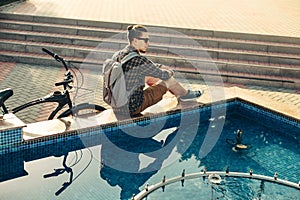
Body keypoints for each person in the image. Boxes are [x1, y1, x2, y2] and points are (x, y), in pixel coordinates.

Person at [112, 24, 203, 117]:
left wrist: (160, 66)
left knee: (149, 76)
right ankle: (185, 95)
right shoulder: (138, 60)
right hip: (133, 107)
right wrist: (169, 72)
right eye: (145, 40)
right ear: (135, 41)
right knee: (168, 80)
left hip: (119, 105)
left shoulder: (119, 55)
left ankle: (182, 95)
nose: (148, 43)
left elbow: (148, 67)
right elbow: (164, 75)